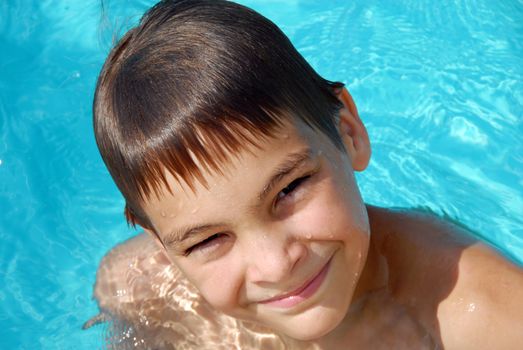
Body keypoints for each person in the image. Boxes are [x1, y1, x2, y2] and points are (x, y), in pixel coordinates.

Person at [85, 0, 523, 348]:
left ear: (348, 132)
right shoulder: (141, 292)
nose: (275, 265)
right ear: (162, 244)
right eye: (208, 240)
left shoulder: (487, 317)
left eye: (290, 188)